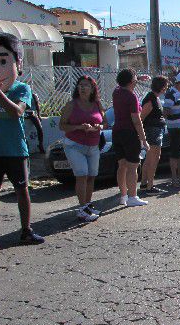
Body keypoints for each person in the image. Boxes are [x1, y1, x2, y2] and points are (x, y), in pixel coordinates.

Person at [0, 34, 45, 254]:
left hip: (15, 149)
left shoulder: (21, 89)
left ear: (18, 63)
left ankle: (26, 230)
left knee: (22, 190)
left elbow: (16, 112)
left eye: (3, 61)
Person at [59, 75, 106, 222]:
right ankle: (82, 210)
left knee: (91, 175)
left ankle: (87, 206)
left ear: (92, 89)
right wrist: (79, 127)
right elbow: (62, 125)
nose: (83, 88)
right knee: (82, 174)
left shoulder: (97, 104)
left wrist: (99, 126)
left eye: (86, 85)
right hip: (74, 145)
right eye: (80, 85)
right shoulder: (72, 104)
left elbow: (105, 122)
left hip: (93, 145)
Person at [111, 68, 149, 207]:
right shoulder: (131, 96)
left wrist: (137, 78)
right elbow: (136, 119)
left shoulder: (116, 92)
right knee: (133, 166)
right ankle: (133, 196)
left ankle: (123, 195)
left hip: (117, 132)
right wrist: (143, 139)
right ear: (132, 81)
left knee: (122, 165)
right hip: (129, 133)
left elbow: (126, 80)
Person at [140, 75, 169, 195]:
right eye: (165, 86)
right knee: (154, 159)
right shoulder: (150, 98)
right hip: (153, 131)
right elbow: (142, 117)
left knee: (149, 158)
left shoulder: (154, 97)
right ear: (161, 86)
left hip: (156, 130)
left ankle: (144, 184)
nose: (166, 88)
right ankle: (150, 186)